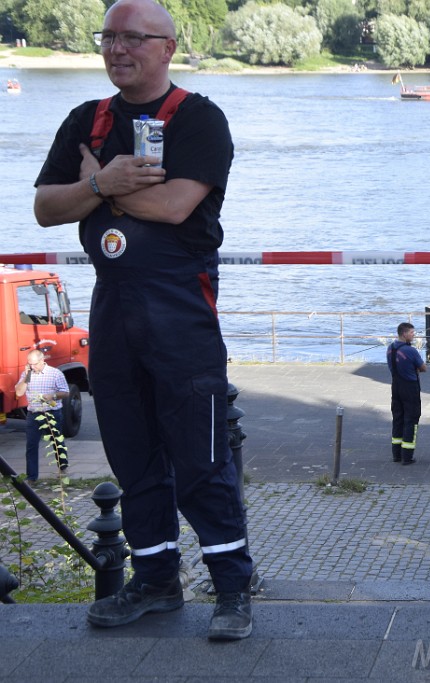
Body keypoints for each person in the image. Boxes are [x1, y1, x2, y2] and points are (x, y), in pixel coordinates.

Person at [33, 0, 253, 640]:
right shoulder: (86, 120)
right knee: (132, 457)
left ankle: (233, 591)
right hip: (113, 308)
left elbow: (177, 206)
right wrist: (105, 187)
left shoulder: (199, 118)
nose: (117, 49)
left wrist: (101, 183)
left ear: (167, 47)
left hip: (181, 309)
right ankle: (155, 581)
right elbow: (47, 207)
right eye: (108, 37)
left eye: (133, 37)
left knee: (203, 457)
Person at [14, 350, 69, 482]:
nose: (32, 367)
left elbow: (65, 392)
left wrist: (53, 396)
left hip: (51, 412)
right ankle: (31, 477)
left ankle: (63, 468)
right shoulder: (27, 374)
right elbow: (19, 392)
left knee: (56, 441)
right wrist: (27, 376)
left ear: (42, 360)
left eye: (34, 364)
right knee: (31, 445)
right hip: (33, 414)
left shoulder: (55, 373)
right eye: (29, 364)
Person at [387, 322, 426, 465]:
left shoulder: (390, 349)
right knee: (411, 420)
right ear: (404, 333)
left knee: (398, 419)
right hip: (410, 388)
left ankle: (396, 454)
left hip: (395, 386)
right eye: (412, 333)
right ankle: (407, 456)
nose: (414, 335)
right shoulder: (411, 351)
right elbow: (423, 367)